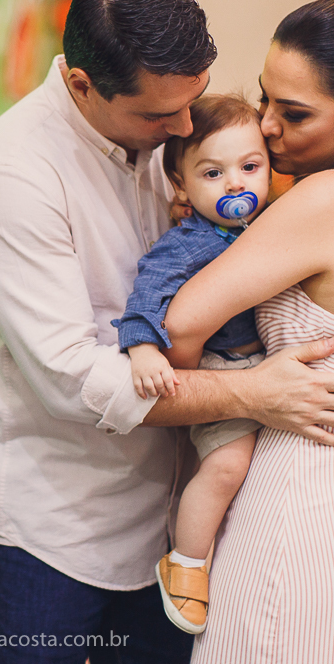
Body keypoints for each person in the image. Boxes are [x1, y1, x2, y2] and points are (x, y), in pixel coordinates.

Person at [0, 0, 334, 664]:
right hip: (57, 536)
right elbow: (72, 378)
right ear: (82, 85)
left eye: (193, 100)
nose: (186, 126)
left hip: (173, 525)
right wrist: (254, 392)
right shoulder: (15, 175)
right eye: (157, 115)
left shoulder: (176, 138)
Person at [161, 0, 334, 663]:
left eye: (294, 113)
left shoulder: (329, 197)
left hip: (296, 529)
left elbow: (180, 323)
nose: (266, 126)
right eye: (265, 99)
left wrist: (222, 402)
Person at [112, 94, 271, 634]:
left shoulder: (269, 227)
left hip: (261, 365)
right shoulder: (188, 244)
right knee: (226, 467)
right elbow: (146, 295)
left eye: (250, 166)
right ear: (181, 185)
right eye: (213, 173)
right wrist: (141, 348)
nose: (235, 183)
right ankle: (185, 564)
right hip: (221, 370)